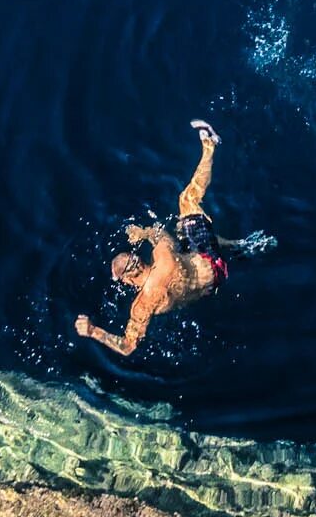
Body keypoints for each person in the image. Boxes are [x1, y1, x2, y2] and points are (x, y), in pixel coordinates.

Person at [75, 119, 242, 357]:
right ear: (136, 261)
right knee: (186, 202)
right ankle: (209, 144)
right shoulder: (162, 257)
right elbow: (158, 232)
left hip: (210, 287)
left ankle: (237, 247)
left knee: (186, 233)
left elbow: (127, 346)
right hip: (208, 261)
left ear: (125, 281)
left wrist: (92, 331)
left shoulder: (143, 304)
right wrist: (142, 233)